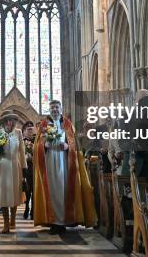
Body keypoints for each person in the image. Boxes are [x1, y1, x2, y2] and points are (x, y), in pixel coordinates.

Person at [33, 100, 97, 234]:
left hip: (64, 162)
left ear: (61, 109)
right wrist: (44, 145)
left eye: (57, 107)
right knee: (51, 190)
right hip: (49, 161)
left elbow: (75, 145)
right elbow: (37, 146)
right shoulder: (43, 125)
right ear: (49, 110)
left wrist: (68, 147)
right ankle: (53, 222)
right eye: (52, 108)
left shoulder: (68, 124)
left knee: (63, 190)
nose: (55, 110)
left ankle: (63, 221)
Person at [0, 111, 27, 233]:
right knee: (4, 194)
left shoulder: (18, 132)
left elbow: (22, 151)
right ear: (5, 121)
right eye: (9, 120)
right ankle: (5, 223)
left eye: (14, 120)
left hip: (15, 165)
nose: (12, 122)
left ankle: (13, 218)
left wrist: (24, 169)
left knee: (14, 193)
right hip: (1, 165)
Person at [22, 121, 35, 219]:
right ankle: (26, 207)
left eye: (31, 128)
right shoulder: (22, 141)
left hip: (35, 167)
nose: (30, 130)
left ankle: (33, 210)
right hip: (26, 168)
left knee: (34, 189)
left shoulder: (37, 140)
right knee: (27, 189)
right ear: (24, 131)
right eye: (28, 129)